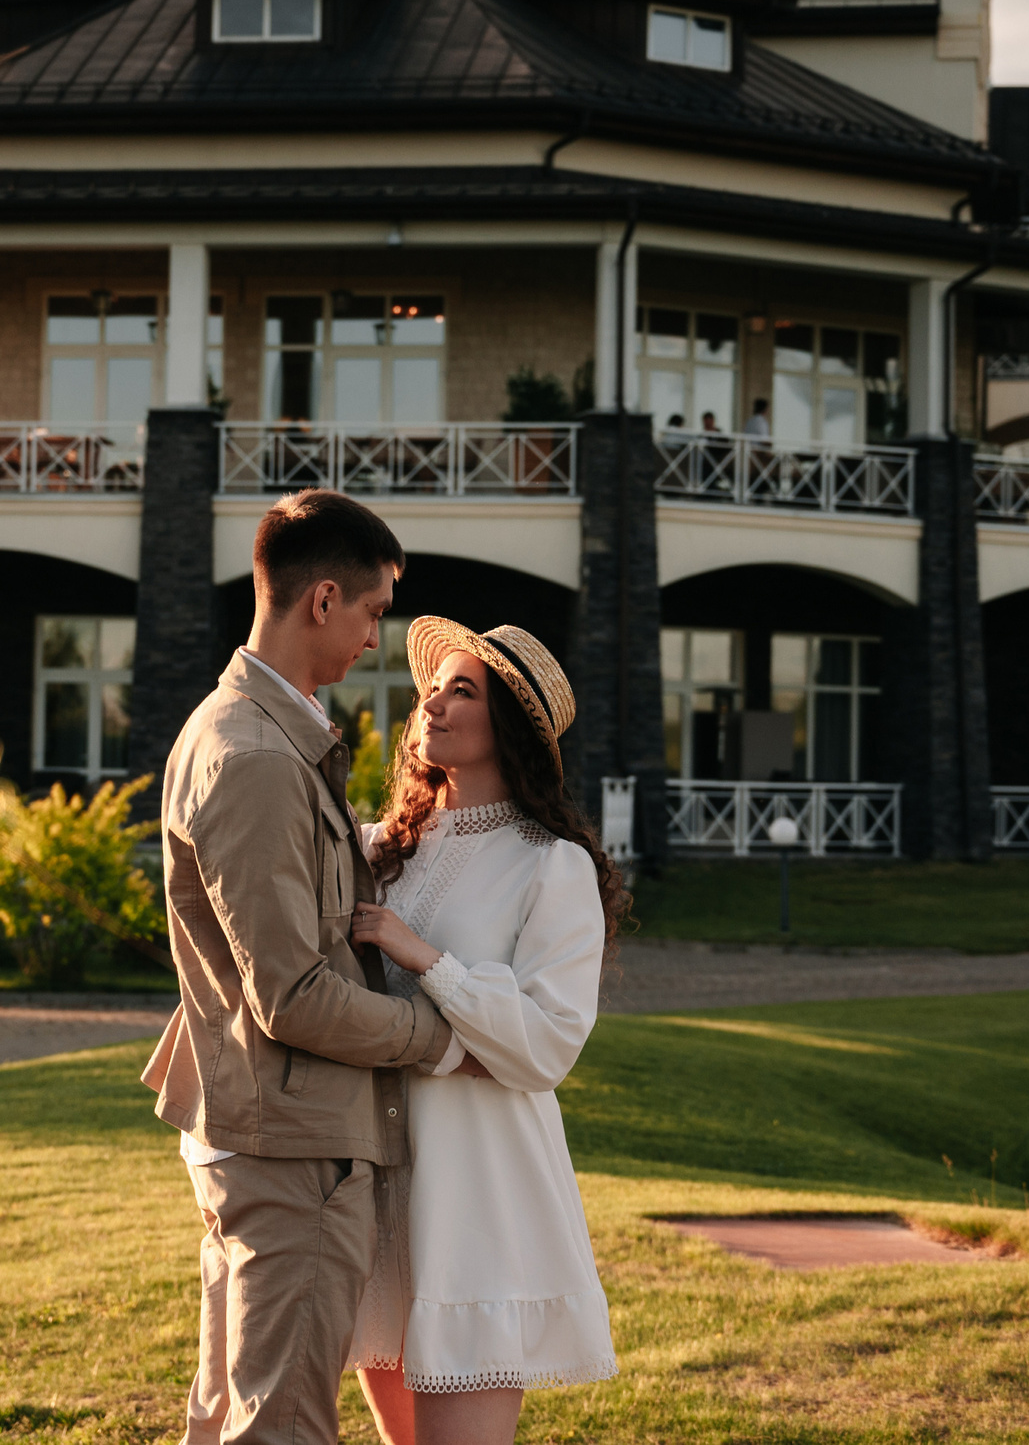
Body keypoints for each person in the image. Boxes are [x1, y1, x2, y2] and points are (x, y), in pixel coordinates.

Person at [146, 488, 473, 1445]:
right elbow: (289, 994)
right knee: (281, 1426)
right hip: (290, 1152)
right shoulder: (252, 754)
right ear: (322, 601)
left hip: (268, 1132)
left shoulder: (259, 734)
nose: (377, 639)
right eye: (375, 612)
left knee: (232, 1417)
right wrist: (439, 1032)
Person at [344, 619, 629, 1444]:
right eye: (433, 686)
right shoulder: (388, 848)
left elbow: (547, 1046)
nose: (431, 701)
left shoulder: (551, 863)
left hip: (478, 1205)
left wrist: (424, 957)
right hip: (381, 1192)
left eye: (461, 689)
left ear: (509, 724)